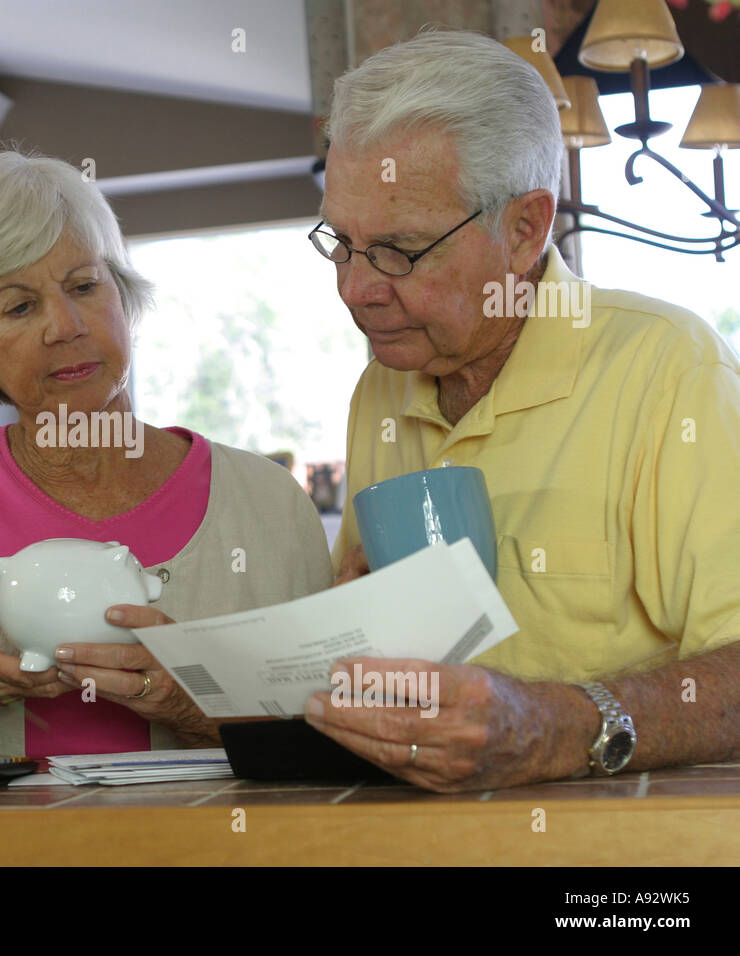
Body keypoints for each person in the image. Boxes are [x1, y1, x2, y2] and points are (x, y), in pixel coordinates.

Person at [311, 29, 740, 791]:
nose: (355, 289)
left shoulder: (669, 367)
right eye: (341, 243)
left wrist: (557, 727)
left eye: (400, 251)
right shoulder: (381, 386)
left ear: (524, 228)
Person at [0, 151, 333, 761]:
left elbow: (336, 745)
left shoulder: (268, 503)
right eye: (20, 306)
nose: (65, 325)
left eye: (84, 286)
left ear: (124, 297)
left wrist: (197, 710)